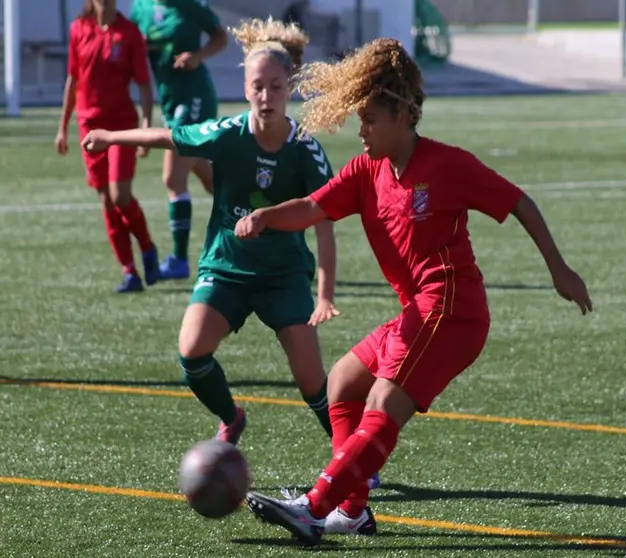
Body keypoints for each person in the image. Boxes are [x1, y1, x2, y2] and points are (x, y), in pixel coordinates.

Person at [235, 37, 593, 544]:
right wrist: (266, 217)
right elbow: (312, 208)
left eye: (371, 119)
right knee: (342, 382)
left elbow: (519, 202)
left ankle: (315, 507)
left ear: (403, 115)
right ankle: (352, 511)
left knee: (382, 399)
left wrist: (559, 269)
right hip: (417, 312)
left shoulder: (448, 165)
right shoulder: (367, 170)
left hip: (452, 309)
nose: (361, 130)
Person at [81, 18, 355, 462]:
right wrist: (112, 137)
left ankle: (350, 455)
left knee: (310, 382)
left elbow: (324, 222)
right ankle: (231, 417)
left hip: (283, 276)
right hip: (226, 269)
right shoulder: (228, 134)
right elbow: (168, 137)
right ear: (245, 88)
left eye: (276, 87)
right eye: (257, 86)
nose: (266, 96)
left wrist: (324, 295)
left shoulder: (305, 148)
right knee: (191, 352)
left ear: (290, 89)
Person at [56, 0, 159, 293]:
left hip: (121, 127)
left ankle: (147, 245)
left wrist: (145, 127)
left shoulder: (129, 33)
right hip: (88, 126)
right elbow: (73, 80)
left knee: (119, 194)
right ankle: (130, 271)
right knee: (105, 200)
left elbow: (143, 84)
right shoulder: (79, 28)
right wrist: (62, 128)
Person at [130, 0, 228, 280]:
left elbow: (220, 36)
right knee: (213, 181)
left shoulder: (188, 6)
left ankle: (178, 260)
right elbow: (133, 46)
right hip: (170, 98)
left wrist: (198, 55)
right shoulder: (141, 9)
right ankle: (257, 217)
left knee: (173, 178)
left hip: (194, 95)